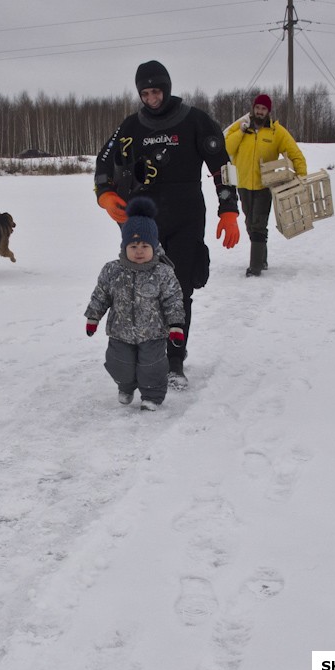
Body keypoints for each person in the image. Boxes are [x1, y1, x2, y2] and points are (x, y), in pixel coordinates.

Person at [94, 60, 240, 388]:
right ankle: (144, 357)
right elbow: (104, 161)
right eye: (144, 93)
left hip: (187, 216)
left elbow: (223, 166)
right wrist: (104, 194)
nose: (151, 99)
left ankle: (175, 360)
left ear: (167, 88)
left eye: (156, 91)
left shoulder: (195, 121)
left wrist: (228, 209)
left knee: (180, 290)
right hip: (145, 220)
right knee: (142, 291)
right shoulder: (131, 125)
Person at [85, 197, 186, 411]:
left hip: (153, 333)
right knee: (118, 363)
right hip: (120, 332)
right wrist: (93, 317)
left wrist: (176, 325)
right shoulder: (112, 270)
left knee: (152, 367)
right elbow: (101, 295)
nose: (139, 251)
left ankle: (152, 395)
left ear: (154, 247)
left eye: (144, 245)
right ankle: (126, 386)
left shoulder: (163, 273)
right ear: (124, 247)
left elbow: (173, 299)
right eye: (133, 245)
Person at [225, 94, 306, 277]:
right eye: (258, 108)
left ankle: (255, 267)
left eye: (264, 109)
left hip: (264, 186)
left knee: (258, 225)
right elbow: (227, 148)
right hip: (243, 184)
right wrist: (241, 131)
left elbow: (295, 154)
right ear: (253, 108)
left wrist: (301, 177)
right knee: (249, 223)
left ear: (268, 111)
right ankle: (262, 258)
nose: (260, 111)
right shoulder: (240, 127)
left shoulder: (276, 132)